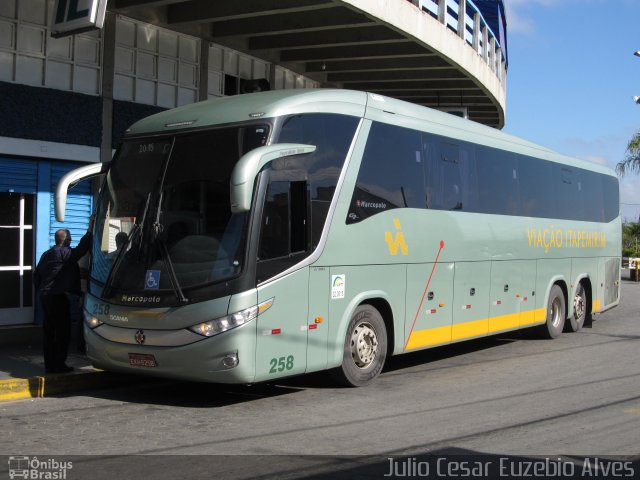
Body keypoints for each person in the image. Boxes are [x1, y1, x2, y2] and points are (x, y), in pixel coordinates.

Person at [34, 216, 94, 374]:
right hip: (57, 297)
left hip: (44, 296)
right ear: (66, 240)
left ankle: (49, 365)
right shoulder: (64, 253)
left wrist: (39, 291)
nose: (71, 241)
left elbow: (36, 275)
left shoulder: (47, 254)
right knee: (62, 332)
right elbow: (82, 249)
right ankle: (59, 364)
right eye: (70, 239)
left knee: (49, 332)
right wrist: (90, 229)